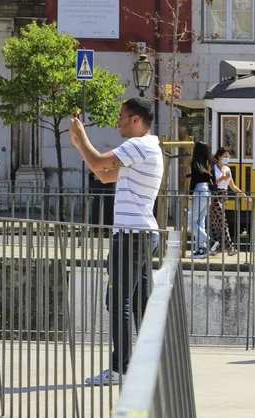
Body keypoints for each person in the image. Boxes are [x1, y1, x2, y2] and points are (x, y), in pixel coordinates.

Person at [70, 97, 163, 385]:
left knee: (118, 300)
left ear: (136, 120)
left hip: (131, 234)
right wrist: (79, 144)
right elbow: (103, 174)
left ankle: (120, 369)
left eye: (122, 117)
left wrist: (82, 137)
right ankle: (149, 364)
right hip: (143, 234)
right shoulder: (147, 149)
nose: (118, 122)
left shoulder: (138, 146)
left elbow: (98, 161)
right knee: (139, 302)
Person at [210, 147, 252, 256]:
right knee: (222, 221)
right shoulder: (213, 168)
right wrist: (222, 179)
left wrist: (244, 196)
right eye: (225, 156)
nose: (227, 159)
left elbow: (232, 186)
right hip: (215, 195)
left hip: (224, 196)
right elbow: (212, 183)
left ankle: (216, 247)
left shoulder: (227, 170)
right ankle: (230, 247)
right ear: (219, 156)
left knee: (216, 222)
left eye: (228, 157)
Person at [188, 141, 216, 259]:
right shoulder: (210, 163)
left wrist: (190, 196)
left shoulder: (195, 163)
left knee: (190, 221)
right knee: (200, 221)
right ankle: (201, 249)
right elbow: (213, 181)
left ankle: (208, 240)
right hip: (208, 192)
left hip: (199, 191)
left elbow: (193, 181)